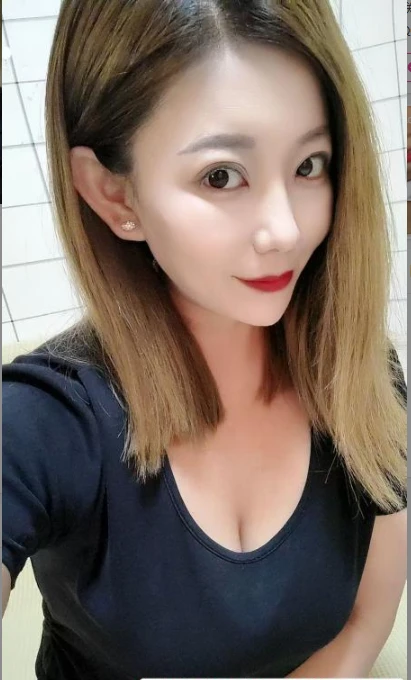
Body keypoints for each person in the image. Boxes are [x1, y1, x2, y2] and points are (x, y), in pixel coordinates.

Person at [2, 1, 407, 678]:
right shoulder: (48, 420)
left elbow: (364, 623)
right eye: (221, 176)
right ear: (114, 196)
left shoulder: (359, 376)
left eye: (310, 165)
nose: (285, 229)